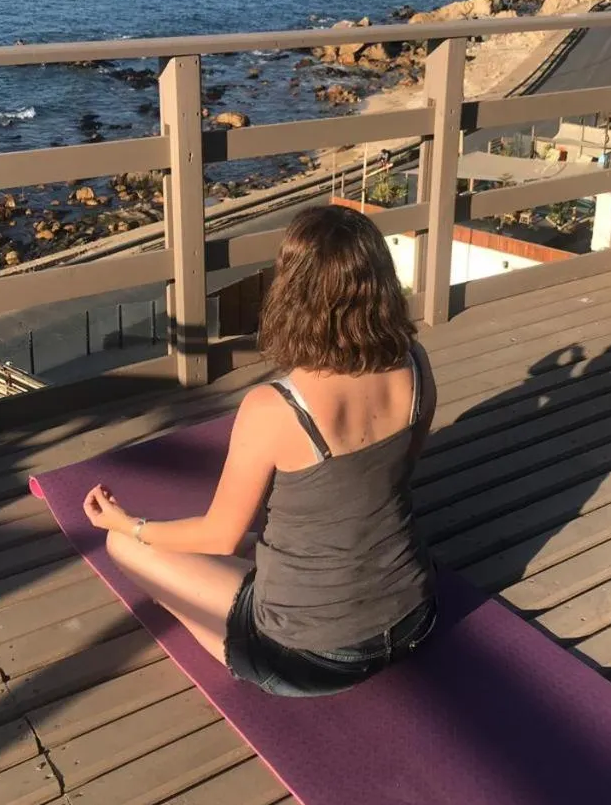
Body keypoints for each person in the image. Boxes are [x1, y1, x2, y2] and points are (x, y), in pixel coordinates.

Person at [83, 204, 437, 696]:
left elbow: (221, 536)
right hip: (416, 618)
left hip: (313, 656)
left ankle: (223, 640)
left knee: (126, 549)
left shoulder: (275, 406)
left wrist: (126, 524)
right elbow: (397, 474)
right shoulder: (415, 366)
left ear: (293, 292)